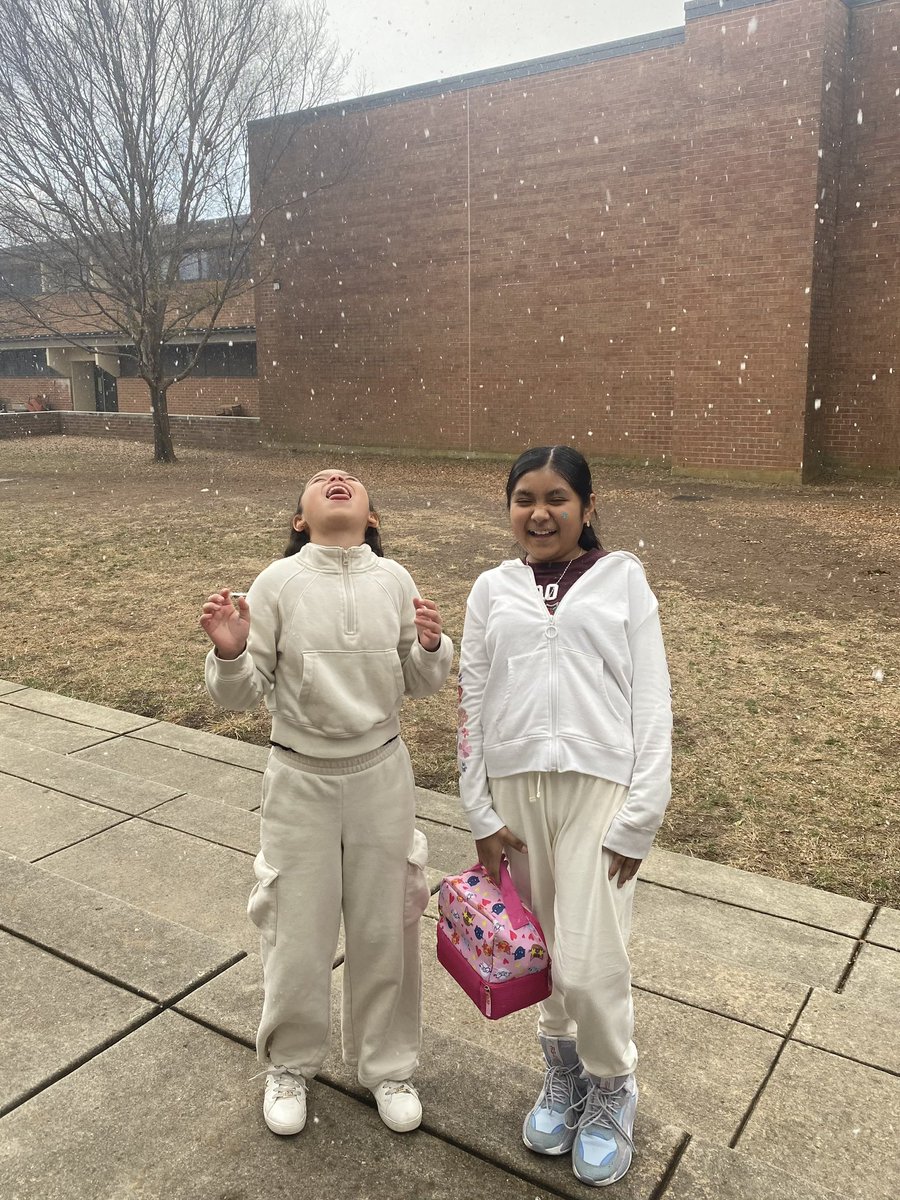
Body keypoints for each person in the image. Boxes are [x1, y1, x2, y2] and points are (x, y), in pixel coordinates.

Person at [201, 467, 452, 1139]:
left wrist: (431, 647)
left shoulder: (395, 580)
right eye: (320, 480)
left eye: (349, 479)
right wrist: (229, 654)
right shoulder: (276, 584)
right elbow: (241, 692)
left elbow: (420, 681)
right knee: (295, 929)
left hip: (381, 776)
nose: (337, 480)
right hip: (299, 779)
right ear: (299, 521)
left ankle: (388, 1067)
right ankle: (289, 1064)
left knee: (386, 926)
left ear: (370, 517)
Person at [456, 445, 672, 1188]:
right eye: (524, 498)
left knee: (592, 960)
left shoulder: (622, 580)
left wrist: (641, 815)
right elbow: (472, 700)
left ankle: (612, 1087)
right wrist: (479, 809)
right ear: (508, 505)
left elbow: (652, 700)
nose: (539, 513)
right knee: (540, 954)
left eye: (556, 498)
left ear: (585, 505)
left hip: (599, 793)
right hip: (516, 796)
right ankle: (562, 1075)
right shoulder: (491, 589)